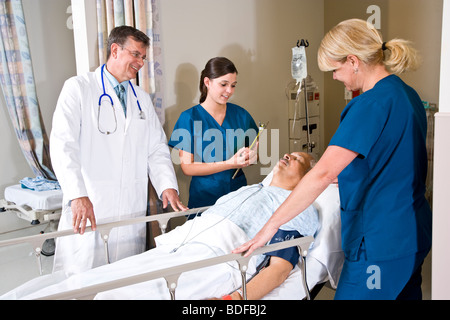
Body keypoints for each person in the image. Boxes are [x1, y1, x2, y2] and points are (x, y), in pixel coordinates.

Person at [234, 19, 432, 300]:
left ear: (353, 61)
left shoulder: (369, 104)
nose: (335, 77)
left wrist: (269, 227)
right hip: (413, 233)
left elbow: (322, 174)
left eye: (335, 69)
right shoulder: (408, 95)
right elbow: (390, 158)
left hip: (379, 242)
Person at [1, 152, 318, 300]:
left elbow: (279, 267)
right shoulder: (251, 189)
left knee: (122, 296)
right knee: (87, 283)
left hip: (216, 260)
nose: (289, 155)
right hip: (177, 247)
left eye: (299, 160)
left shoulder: (294, 207)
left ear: (305, 180)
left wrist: (233, 300)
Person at [50, 26, 187, 274]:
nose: (140, 62)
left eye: (143, 57)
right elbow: (63, 145)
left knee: (124, 281)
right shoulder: (79, 88)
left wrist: (167, 184)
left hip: (129, 209)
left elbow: (156, 148)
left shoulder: (141, 99)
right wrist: (77, 194)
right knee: (83, 280)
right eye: (136, 54)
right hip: (92, 202)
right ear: (115, 50)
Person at [168, 57, 259, 211]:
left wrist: (253, 157)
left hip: (238, 196)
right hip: (205, 199)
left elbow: (253, 149)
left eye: (233, 85)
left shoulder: (241, 115)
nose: (229, 91)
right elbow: (188, 167)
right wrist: (230, 163)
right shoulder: (189, 118)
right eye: (223, 84)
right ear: (207, 82)